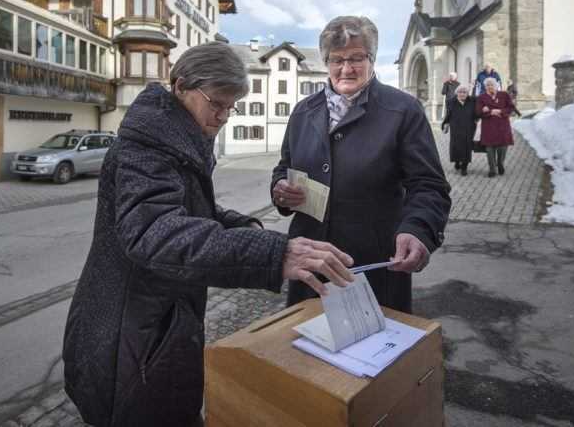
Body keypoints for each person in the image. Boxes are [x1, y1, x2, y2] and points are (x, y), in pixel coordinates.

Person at [63, 43, 355, 427]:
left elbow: (188, 209)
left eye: (230, 107)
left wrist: (239, 226)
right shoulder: (148, 145)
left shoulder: (178, 134)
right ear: (181, 86)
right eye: (216, 103)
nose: (222, 116)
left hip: (154, 328)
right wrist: (271, 254)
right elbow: (154, 232)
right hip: (130, 336)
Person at [271, 16, 451, 314]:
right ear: (326, 61)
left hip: (372, 263)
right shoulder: (304, 111)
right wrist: (279, 189)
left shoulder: (402, 110)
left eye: (356, 58)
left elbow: (428, 186)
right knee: (306, 353)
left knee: (373, 354)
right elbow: (284, 166)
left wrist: (418, 229)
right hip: (311, 262)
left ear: (372, 59)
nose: (346, 68)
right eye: (336, 59)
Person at [476, 78, 515, 177]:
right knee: (489, 149)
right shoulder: (481, 97)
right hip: (488, 127)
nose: (490, 87)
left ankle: (500, 163)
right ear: (485, 87)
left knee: (503, 147)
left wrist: (500, 111)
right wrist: (490, 112)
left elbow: (511, 107)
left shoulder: (504, 95)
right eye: (487, 85)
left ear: (496, 85)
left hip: (502, 126)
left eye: (491, 85)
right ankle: (492, 169)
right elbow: (478, 112)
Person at [441, 84, 478, 176]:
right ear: (457, 93)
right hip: (456, 128)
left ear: (467, 93)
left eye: (464, 92)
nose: (462, 94)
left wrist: (478, 118)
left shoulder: (472, 101)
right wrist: (445, 123)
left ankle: (464, 167)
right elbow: (448, 114)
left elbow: (477, 112)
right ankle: (457, 161)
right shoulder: (451, 102)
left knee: (467, 147)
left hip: (469, 128)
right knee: (456, 146)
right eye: (460, 92)